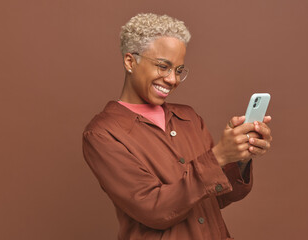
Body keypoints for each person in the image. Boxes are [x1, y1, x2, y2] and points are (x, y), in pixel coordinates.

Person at [82, 13, 272, 240]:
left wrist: (240, 155)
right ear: (130, 61)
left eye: (179, 70)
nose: (173, 79)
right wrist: (219, 155)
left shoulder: (188, 118)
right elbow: (153, 209)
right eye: (163, 67)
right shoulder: (103, 134)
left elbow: (217, 196)